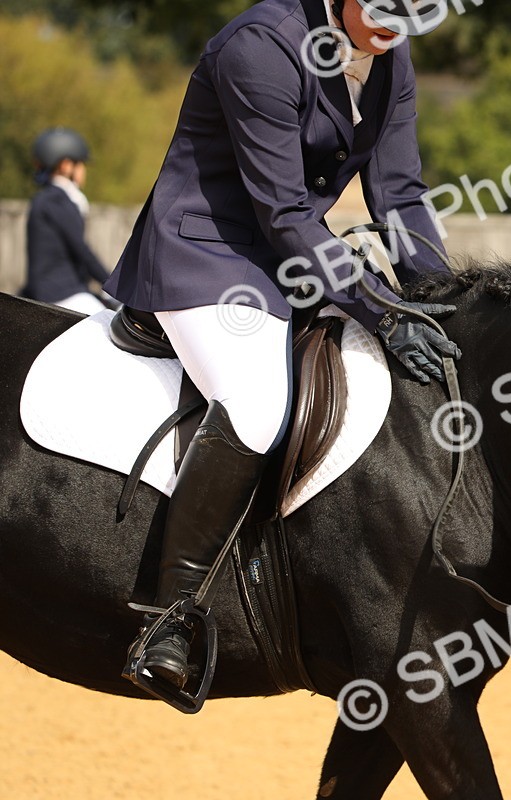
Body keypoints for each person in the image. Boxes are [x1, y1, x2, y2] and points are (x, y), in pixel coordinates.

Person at [104, 0, 460, 693]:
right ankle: (170, 619)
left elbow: (401, 192)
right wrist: (383, 312)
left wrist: (445, 301)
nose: (398, 23)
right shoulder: (261, 47)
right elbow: (284, 210)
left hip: (288, 262)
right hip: (206, 252)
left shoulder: (390, 51)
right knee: (261, 405)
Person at [22, 128, 112, 314]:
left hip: (65, 289)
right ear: (65, 165)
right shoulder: (56, 200)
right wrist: (112, 286)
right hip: (60, 293)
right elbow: (81, 250)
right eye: (80, 164)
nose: (84, 171)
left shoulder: (49, 199)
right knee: (110, 325)